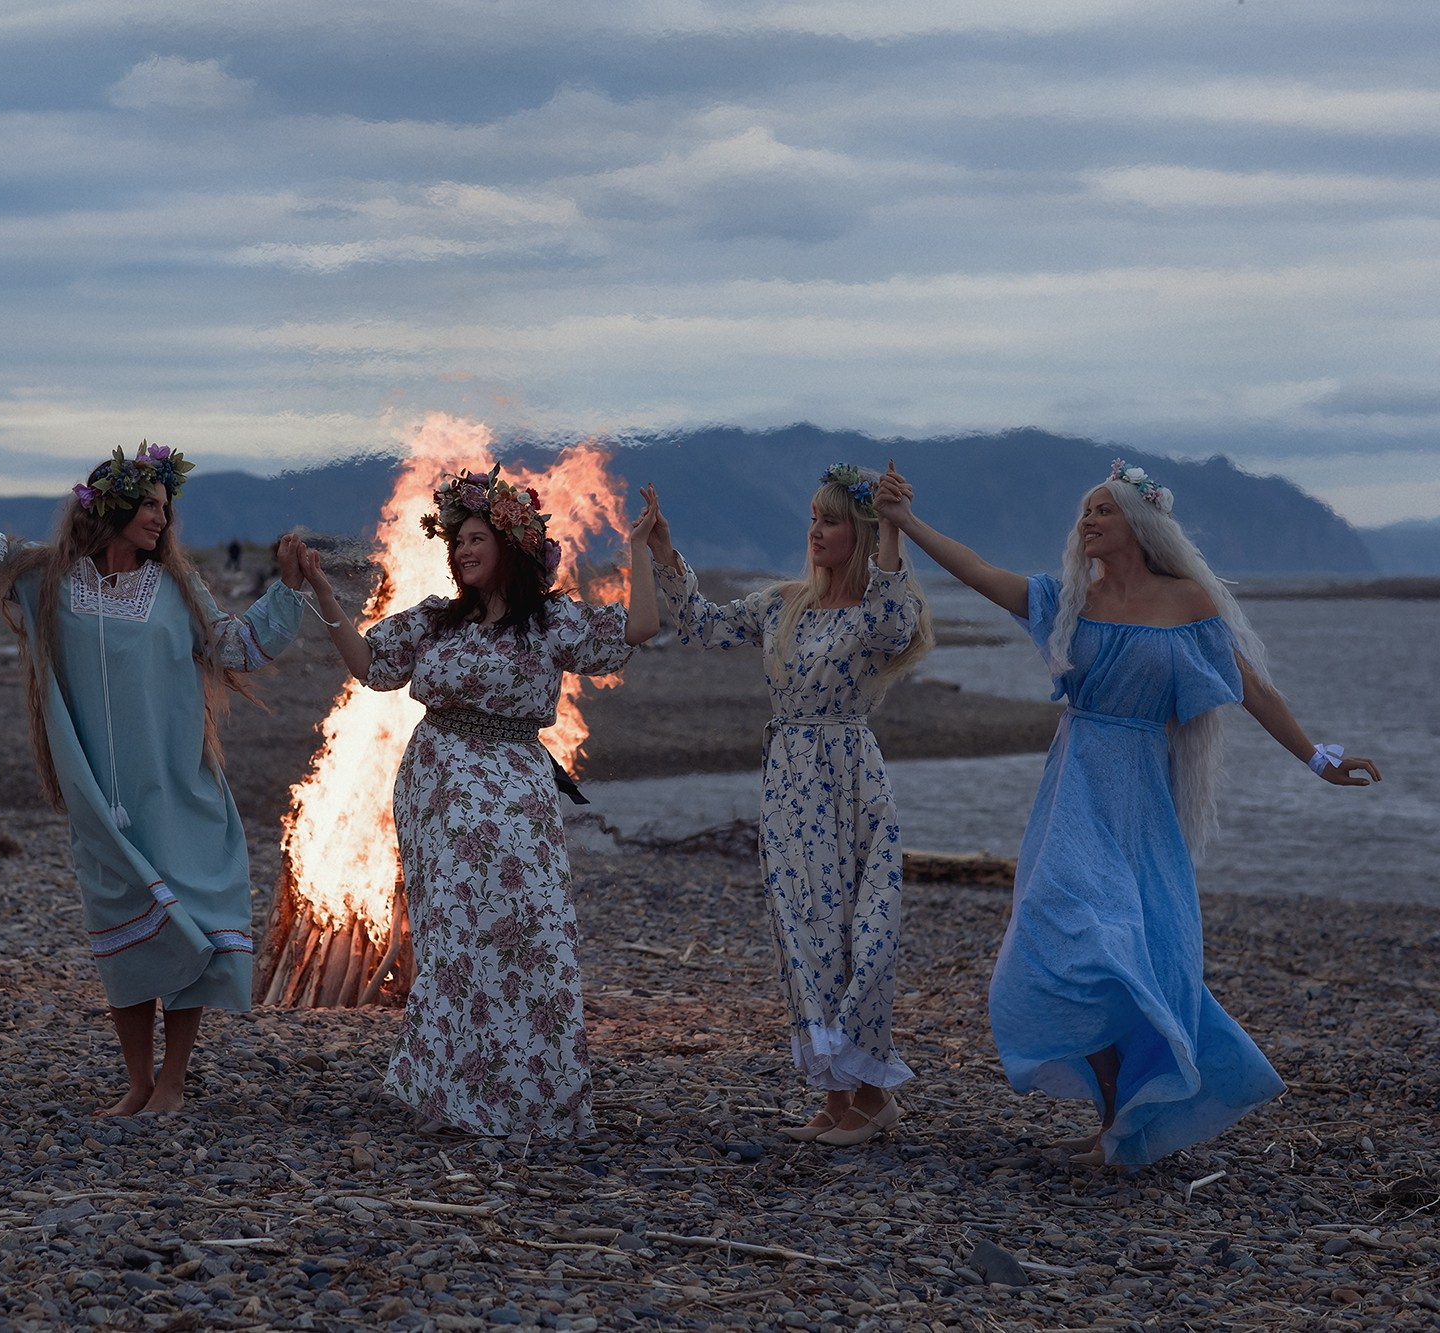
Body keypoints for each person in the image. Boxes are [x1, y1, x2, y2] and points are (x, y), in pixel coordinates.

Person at [872, 457, 1381, 1167]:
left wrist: (1319, 758)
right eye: (1085, 510)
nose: (1088, 519)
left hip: (1141, 795)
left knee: (1132, 951)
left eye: (1102, 509)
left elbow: (1252, 688)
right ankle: (1114, 1120)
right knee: (1069, 937)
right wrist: (905, 522)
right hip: (1073, 786)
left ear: (1138, 523)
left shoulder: (1188, 601)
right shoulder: (1069, 600)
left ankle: (1119, 1129)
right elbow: (981, 572)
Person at [0, 396, 311, 1115]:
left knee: (189, 925)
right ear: (112, 508)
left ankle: (173, 1080)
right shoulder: (49, 579)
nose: (163, 519)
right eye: (152, 506)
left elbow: (240, 646)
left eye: (168, 509)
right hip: (100, 796)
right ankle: (136, 1080)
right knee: (122, 935)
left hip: (176, 789)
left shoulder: (177, 587)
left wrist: (287, 591)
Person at [303, 465, 661, 1138]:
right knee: (455, 939)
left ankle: (532, 1091)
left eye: (476, 538)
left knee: (532, 932)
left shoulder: (549, 620)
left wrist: (640, 544)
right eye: (458, 540)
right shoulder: (437, 620)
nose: (464, 550)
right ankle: (454, 1092)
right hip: (438, 787)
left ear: (511, 542)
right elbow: (369, 664)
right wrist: (323, 590)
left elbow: (638, 628)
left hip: (515, 789)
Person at [641, 467, 933, 1146]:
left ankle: (870, 1091)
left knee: (864, 934)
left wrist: (892, 524)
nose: (815, 530)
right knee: (806, 937)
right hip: (788, 787)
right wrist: (663, 549)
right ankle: (840, 1094)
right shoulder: (783, 603)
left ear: (856, 534)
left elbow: (895, 622)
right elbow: (699, 624)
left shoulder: (877, 610)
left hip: (851, 782)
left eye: (830, 520)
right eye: (812, 517)